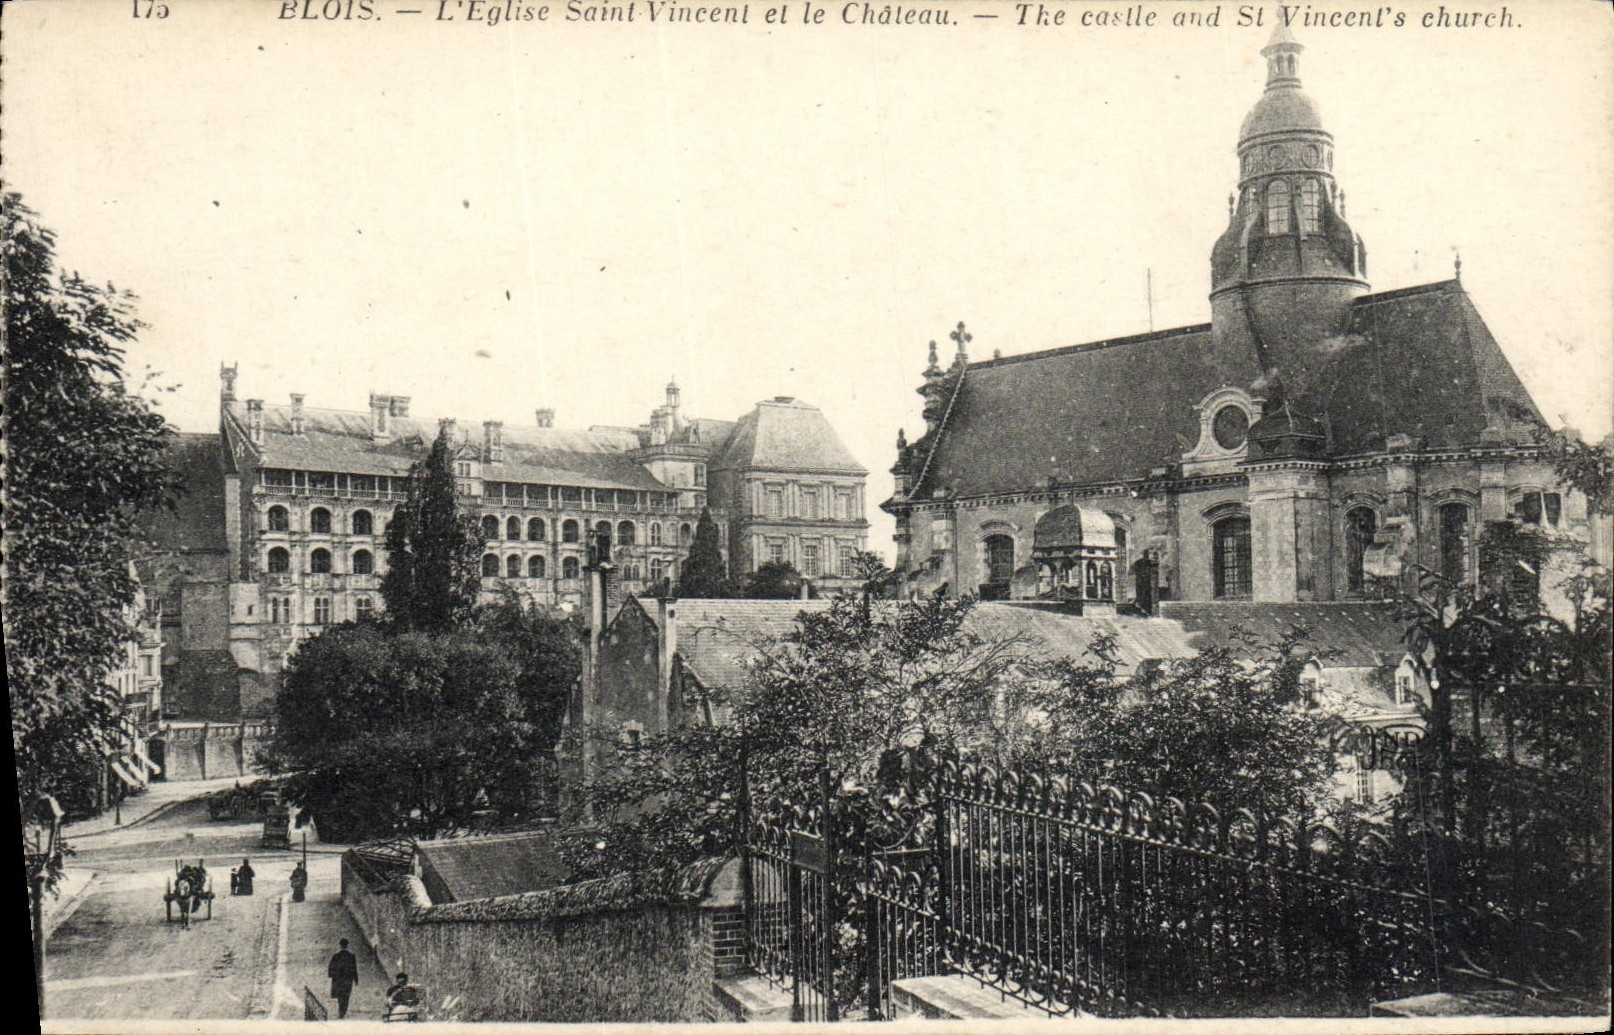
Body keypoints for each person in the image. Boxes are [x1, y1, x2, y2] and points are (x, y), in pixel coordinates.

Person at [327, 938, 359, 1019]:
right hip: (348, 980)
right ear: (348, 945)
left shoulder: (336, 956)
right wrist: (356, 979)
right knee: (346, 996)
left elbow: (331, 967)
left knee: (340, 996)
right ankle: (344, 1011)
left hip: (339, 980)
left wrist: (332, 976)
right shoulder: (352, 956)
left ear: (340, 946)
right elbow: (354, 968)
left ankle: (340, 1011)